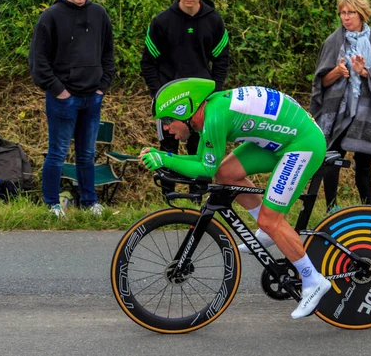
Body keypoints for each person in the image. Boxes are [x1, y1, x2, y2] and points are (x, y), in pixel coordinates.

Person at [140, 77, 331, 320]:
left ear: (184, 109)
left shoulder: (216, 117)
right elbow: (207, 165)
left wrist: (164, 159)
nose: (166, 128)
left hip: (302, 143)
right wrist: (162, 156)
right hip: (280, 140)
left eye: (167, 121)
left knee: (271, 220)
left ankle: (313, 279)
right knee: (226, 173)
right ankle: (266, 233)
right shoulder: (212, 112)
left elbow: (203, 171)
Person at [28, 0, 115, 217]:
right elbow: (38, 61)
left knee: (87, 154)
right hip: (62, 98)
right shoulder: (51, 16)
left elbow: (108, 55)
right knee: (57, 152)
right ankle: (52, 205)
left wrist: (102, 89)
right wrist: (60, 91)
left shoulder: (99, 14)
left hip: (92, 97)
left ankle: (90, 203)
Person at [140, 0, 229, 195]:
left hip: (202, 100)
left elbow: (222, 59)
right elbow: (148, 63)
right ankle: (167, 197)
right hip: (171, 97)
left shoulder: (214, 21)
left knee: (198, 149)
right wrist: (158, 95)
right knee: (168, 148)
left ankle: (196, 199)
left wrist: (214, 92)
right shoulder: (161, 21)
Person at [310, 0, 371, 213]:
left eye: (351, 13)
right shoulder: (333, 41)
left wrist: (363, 71)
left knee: (364, 161)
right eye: (342, 13)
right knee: (333, 157)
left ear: (362, 13)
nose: (346, 17)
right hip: (338, 110)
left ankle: (368, 208)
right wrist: (337, 71)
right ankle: (331, 207)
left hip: (367, 110)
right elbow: (321, 81)